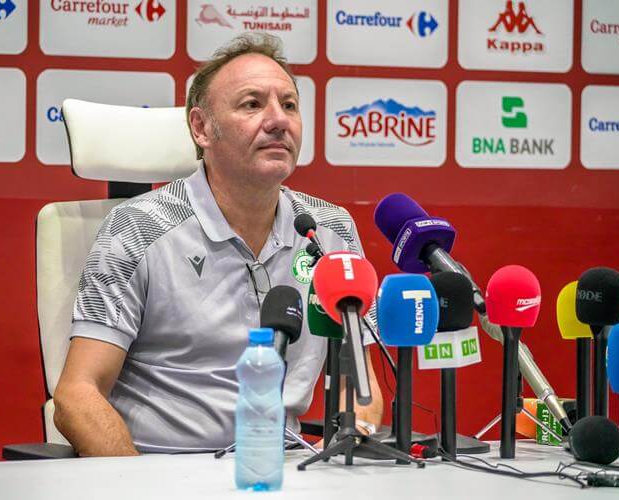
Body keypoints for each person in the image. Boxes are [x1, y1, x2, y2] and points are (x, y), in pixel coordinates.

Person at [53, 33, 384, 457]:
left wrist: (351, 442)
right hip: (162, 469)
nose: (278, 120)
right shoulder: (136, 227)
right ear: (201, 128)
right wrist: (136, 482)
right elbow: (77, 395)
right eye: (252, 104)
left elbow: (360, 384)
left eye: (289, 105)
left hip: (281, 467)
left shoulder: (329, 232)